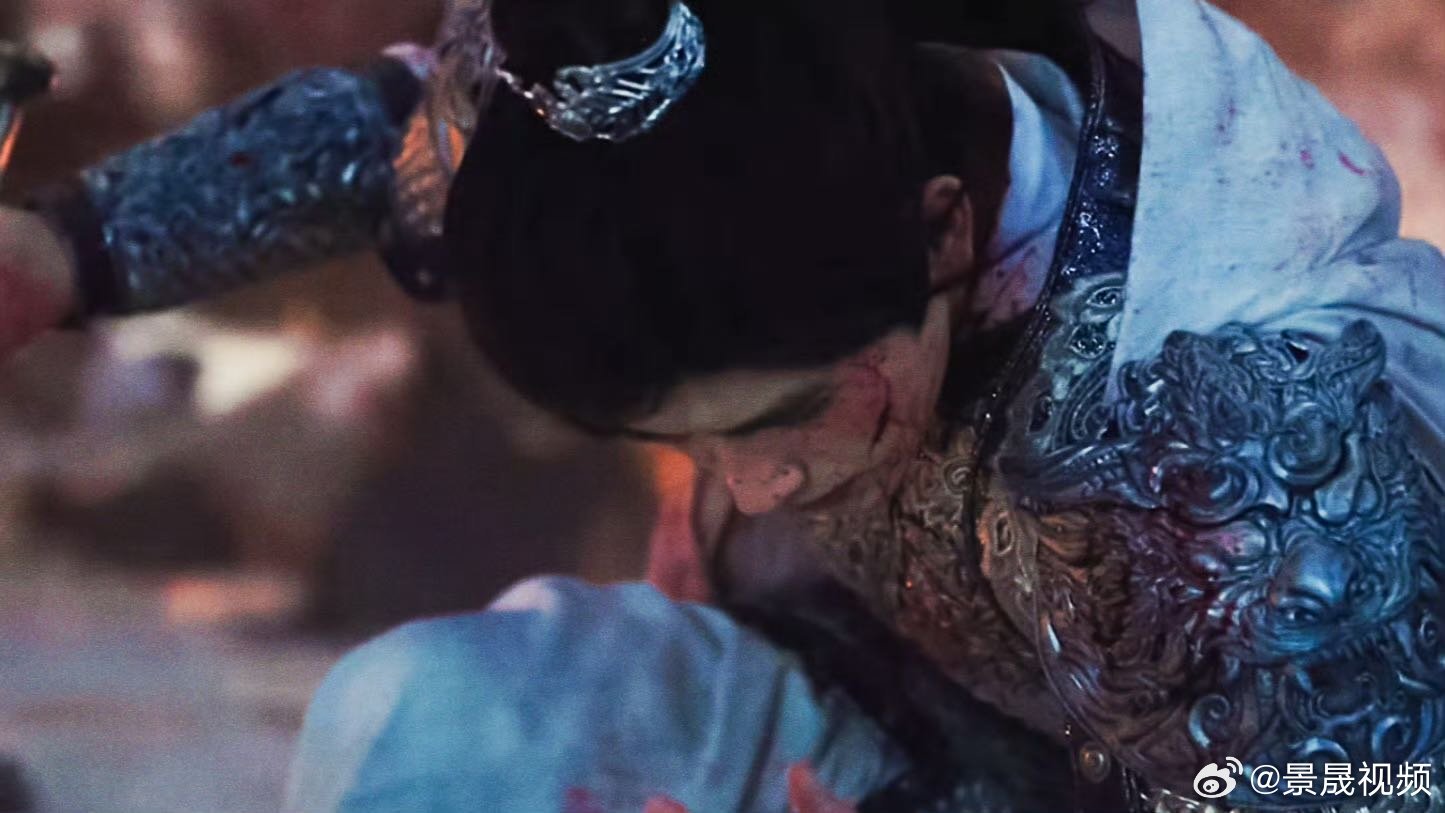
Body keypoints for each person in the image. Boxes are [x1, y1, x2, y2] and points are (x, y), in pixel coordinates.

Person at [0, 0, 1441, 811]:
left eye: (779, 416)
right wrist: (70, 253)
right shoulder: (677, 89)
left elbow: (1358, 794)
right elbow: (415, 143)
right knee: (440, 723)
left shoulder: (1223, 446)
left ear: (944, 230)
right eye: (684, 441)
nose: (743, 491)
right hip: (878, 702)